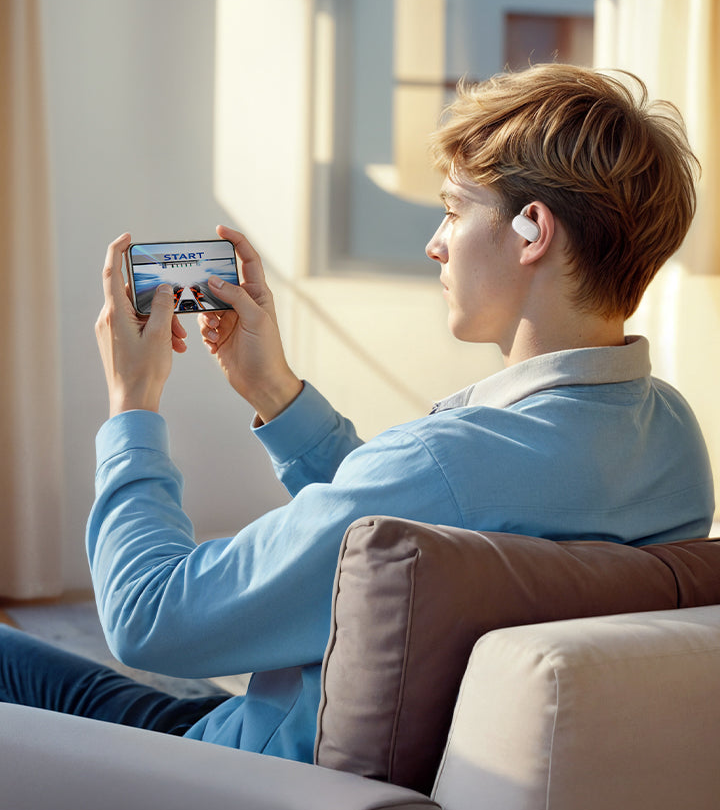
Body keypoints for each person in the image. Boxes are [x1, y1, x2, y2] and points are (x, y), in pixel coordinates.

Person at [0, 64, 714, 764]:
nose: (436, 241)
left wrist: (132, 406)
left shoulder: (449, 463)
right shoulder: (672, 441)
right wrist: (276, 392)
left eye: (454, 209)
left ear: (533, 231)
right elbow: (423, 542)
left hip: (236, 776)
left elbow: (149, 615)